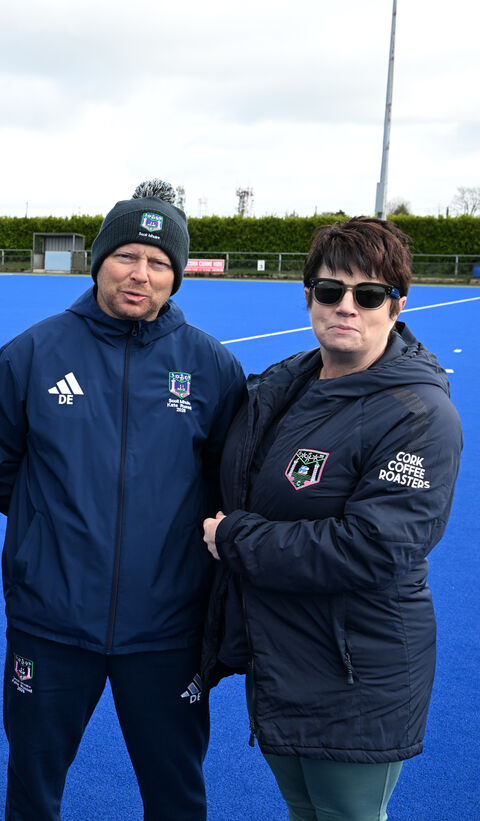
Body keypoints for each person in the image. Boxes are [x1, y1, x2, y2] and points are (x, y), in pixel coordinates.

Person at [0, 180, 246, 820]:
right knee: (33, 790)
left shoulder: (210, 366)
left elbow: (225, 480)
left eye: (158, 263)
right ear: (100, 260)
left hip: (169, 626)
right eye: (126, 255)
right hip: (52, 620)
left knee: (176, 793)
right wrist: (57, 529)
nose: (140, 274)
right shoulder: (32, 354)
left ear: (176, 276)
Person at [201, 217, 463, 821]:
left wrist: (233, 537)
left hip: (357, 671)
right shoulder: (283, 384)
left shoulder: (419, 414)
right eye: (329, 290)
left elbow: (374, 547)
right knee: (303, 809)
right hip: (285, 655)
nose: (347, 307)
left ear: (396, 304)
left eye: (368, 295)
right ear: (308, 296)